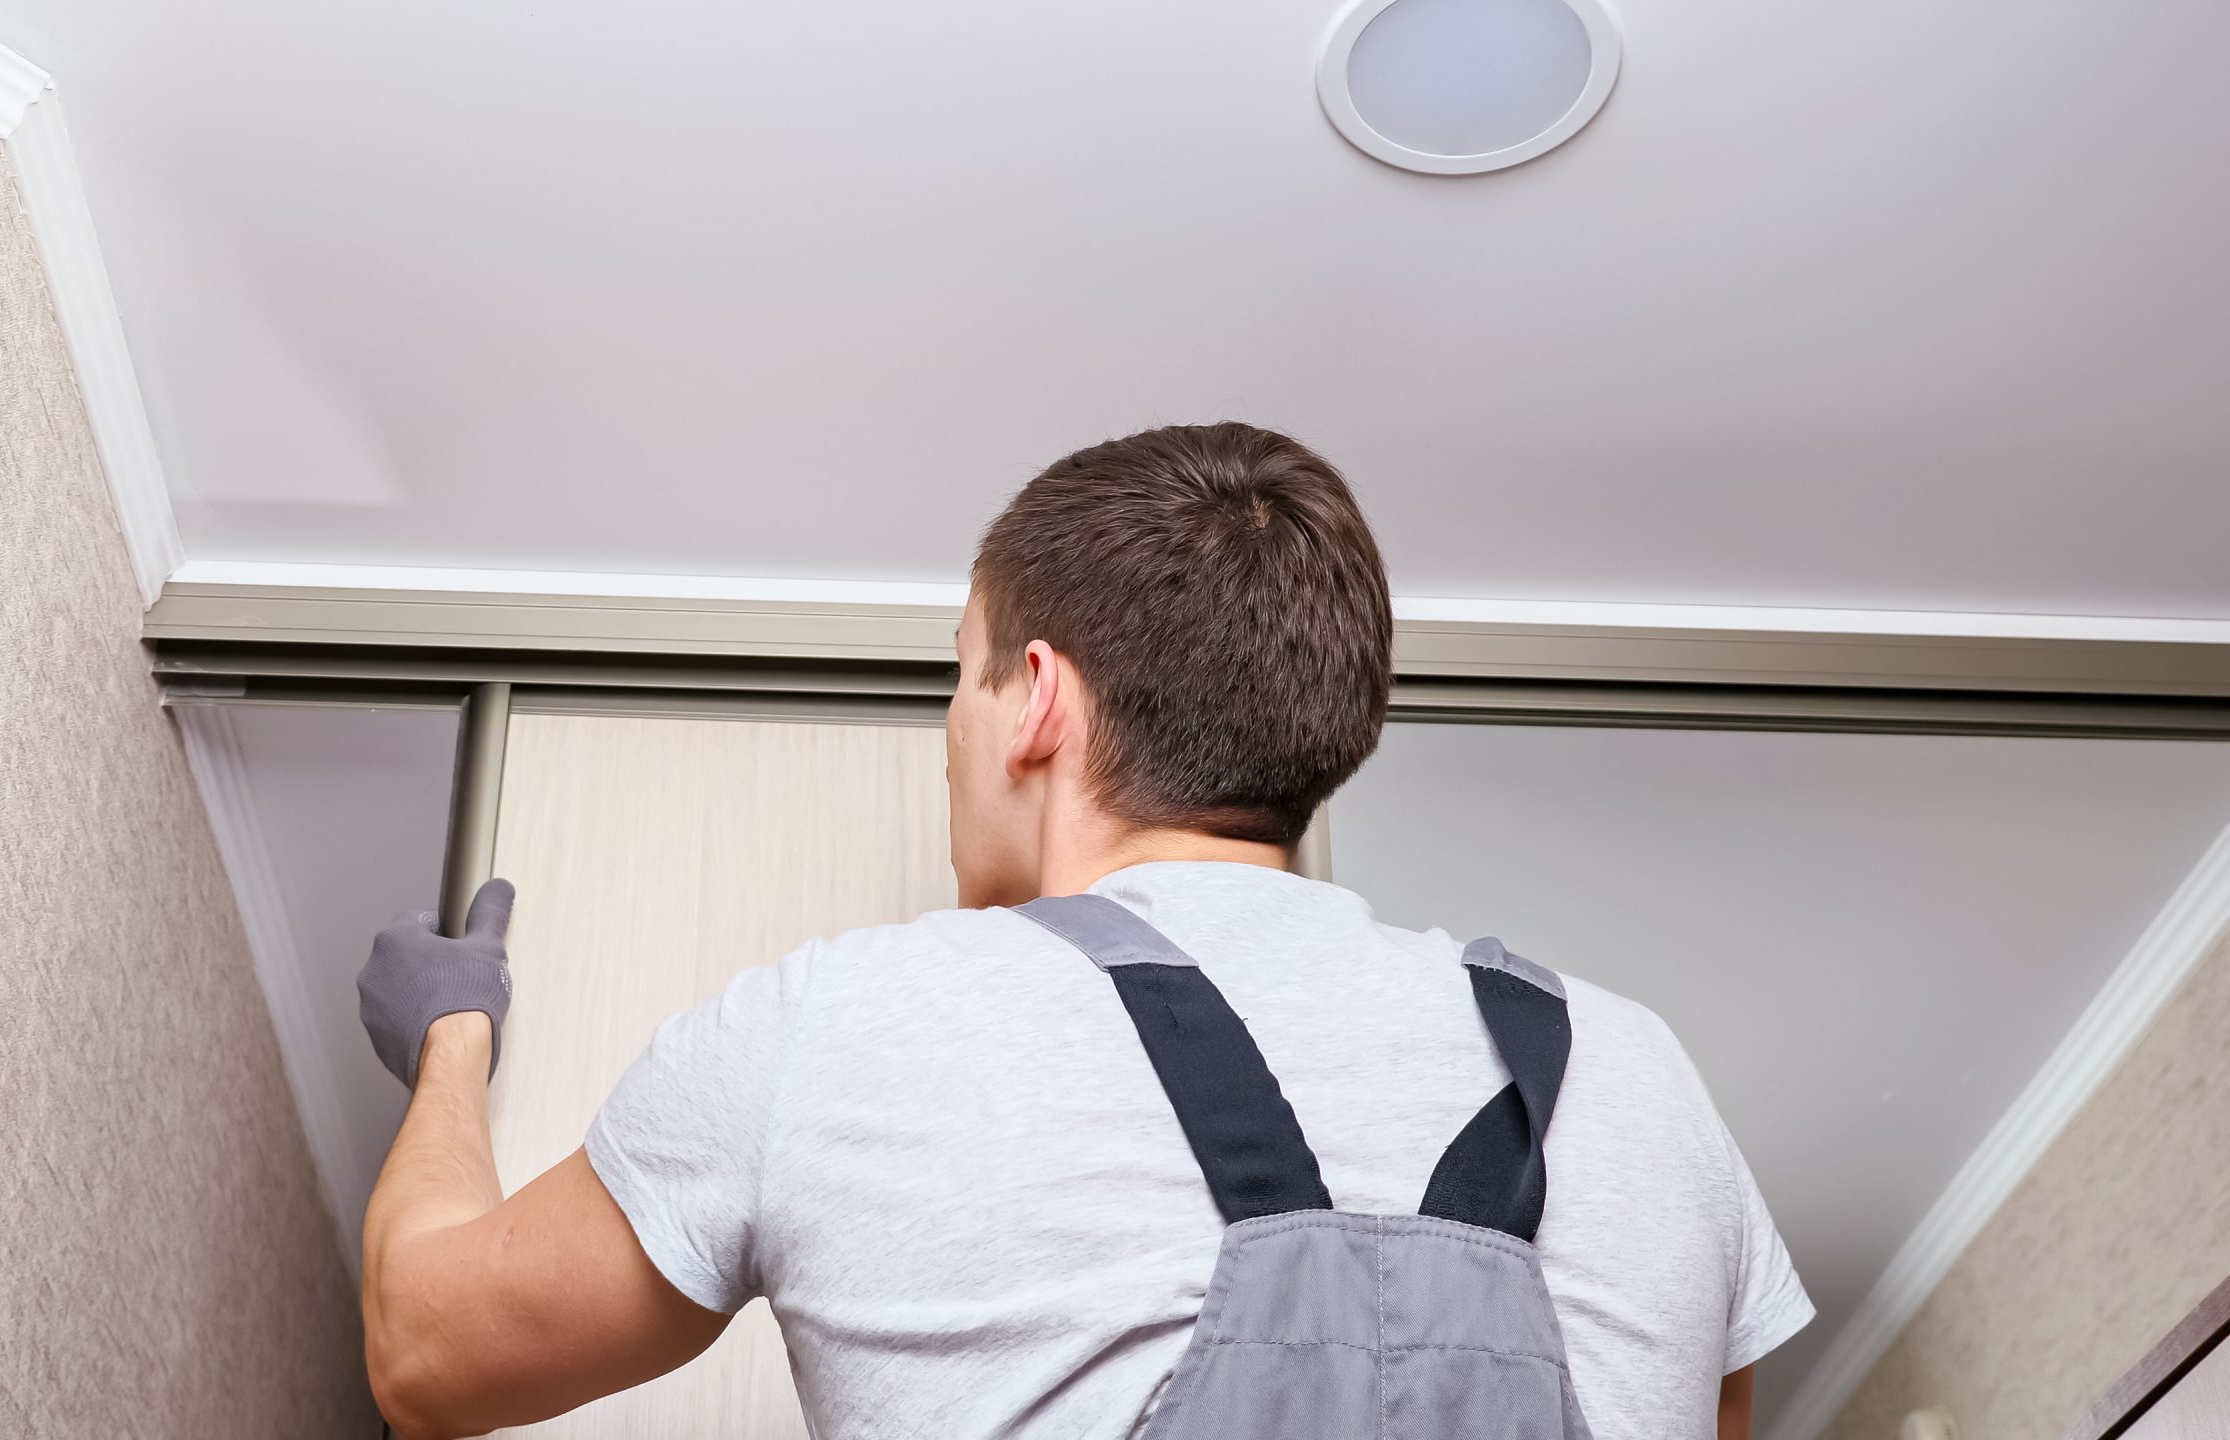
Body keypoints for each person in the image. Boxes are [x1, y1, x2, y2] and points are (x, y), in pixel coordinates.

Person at [354, 422, 1813, 1439]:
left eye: (961, 679)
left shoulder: (837, 1027)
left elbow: (427, 1351)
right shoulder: (1631, 1076)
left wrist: (453, 1040)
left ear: (1038, 700)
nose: (951, 738)